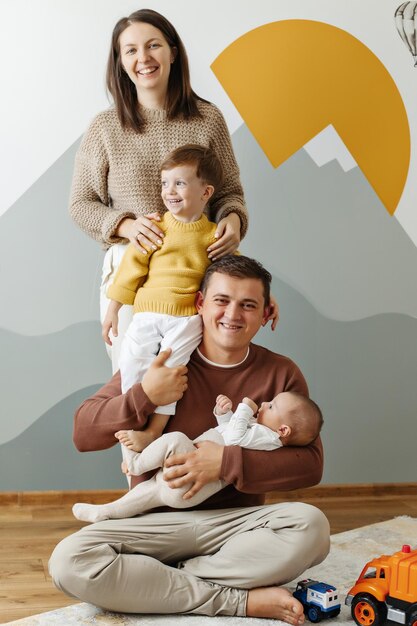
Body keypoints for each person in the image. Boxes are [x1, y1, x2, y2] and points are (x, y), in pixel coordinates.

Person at [49, 255, 330, 624]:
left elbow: (310, 466)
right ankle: (236, 601)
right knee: (69, 562)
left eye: (248, 305)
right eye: (221, 300)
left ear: (265, 314)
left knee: (313, 528)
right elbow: (82, 433)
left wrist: (224, 463)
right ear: (200, 304)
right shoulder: (161, 359)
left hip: (235, 527)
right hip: (152, 524)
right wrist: (144, 394)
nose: (233, 314)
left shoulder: (280, 374)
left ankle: (161, 581)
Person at [69, 8, 248, 372]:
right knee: (134, 381)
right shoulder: (105, 127)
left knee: (198, 379)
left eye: (153, 46)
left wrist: (232, 218)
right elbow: (80, 203)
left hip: (197, 268)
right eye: (131, 50)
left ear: (173, 52)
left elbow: (229, 190)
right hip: (132, 273)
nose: (143, 58)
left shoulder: (208, 118)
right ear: (120, 62)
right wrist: (127, 225)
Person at [104, 144, 227, 458]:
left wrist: (267, 299)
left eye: (180, 183)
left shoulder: (213, 236)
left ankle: (154, 430)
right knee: (132, 362)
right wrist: (114, 309)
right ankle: (134, 421)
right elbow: (131, 269)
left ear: (206, 192)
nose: (169, 191)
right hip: (147, 313)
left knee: (173, 370)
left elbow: (234, 274)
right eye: (164, 183)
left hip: (188, 317)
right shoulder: (155, 227)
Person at [72, 391, 323, 523]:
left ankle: (136, 462)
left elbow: (233, 441)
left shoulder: (267, 437)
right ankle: (105, 512)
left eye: (272, 406)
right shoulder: (258, 431)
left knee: (177, 439)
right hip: (183, 486)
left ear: (283, 430)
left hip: (191, 485)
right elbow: (227, 432)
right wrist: (223, 413)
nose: (265, 403)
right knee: (146, 493)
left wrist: (245, 408)